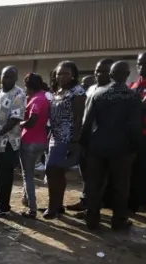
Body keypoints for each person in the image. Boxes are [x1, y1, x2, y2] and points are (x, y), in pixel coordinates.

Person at [81, 61, 141, 231]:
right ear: (127, 74)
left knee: (94, 184)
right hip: (121, 148)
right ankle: (118, 220)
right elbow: (136, 127)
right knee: (120, 186)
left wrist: (84, 145)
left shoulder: (98, 94)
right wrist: (136, 148)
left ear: (111, 74)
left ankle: (92, 219)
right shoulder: (132, 96)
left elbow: (86, 124)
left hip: (97, 145)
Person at [68, 58, 114, 213]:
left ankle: (94, 207)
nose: (100, 74)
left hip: (102, 140)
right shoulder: (91, 89)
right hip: (86, 137)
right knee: (86, 173)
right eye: (97, 70)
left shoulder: (115, 91)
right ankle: (86, 201)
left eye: (104, 71)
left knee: (99, 176)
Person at [45, 61, 86, 219]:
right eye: (59, 73)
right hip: (54, 137)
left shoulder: (77, 92)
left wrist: (75, 142)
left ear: (73, 75)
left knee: (52, 170)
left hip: (67, 137)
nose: (62, 76)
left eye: (66, 73)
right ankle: (58, 205)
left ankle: (52, 207)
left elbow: (78, 118)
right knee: (57, 173)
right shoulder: (56, 91)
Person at [0, 66, 26, 218]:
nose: (6, 79)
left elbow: (15, 118)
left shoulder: (19, 93)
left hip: (8, 142)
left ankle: (3, 206)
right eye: (4, 76)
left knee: (4, 175)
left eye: (10, 77)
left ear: (15, 78)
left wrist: (1, 132)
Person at [19, 73, 50, 218]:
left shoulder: (36, 100)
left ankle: (32, 208)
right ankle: (26, 199)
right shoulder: (45, 97)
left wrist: (19, 124)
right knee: (30, 173)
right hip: (42, 140)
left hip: (29, 140)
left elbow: (32, 120)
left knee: (28, 175)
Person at [128, 50, 146, 212]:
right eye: (138, 63)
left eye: (145, 63)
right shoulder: (133, 84)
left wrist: (130, 102)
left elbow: (144, 104)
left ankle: (142, 202)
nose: (140, 67)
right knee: (133, 168)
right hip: (134, 132)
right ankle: (133, 200)